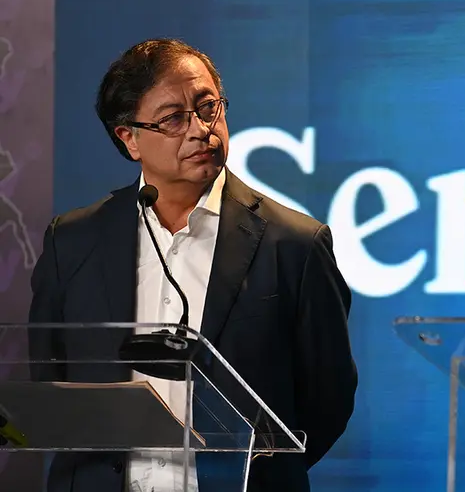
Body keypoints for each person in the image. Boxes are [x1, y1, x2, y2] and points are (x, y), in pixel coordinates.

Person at [28, 39, 358, 492]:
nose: (201, 129)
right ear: (129, 139)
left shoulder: (295, 244)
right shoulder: (72, 241)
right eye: (173, 119)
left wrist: (257, 473)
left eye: (208, 108)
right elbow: (50, 378)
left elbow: (328, 400)